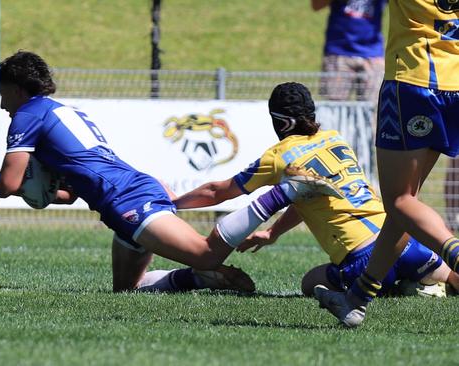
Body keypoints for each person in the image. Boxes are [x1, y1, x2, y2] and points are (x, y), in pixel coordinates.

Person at [0, 51, 334, 293]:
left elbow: (9, 184)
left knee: (207, 253)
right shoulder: (62, 112)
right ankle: (197, 279)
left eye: (2, 93)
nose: (1, 104)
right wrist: (44, 194)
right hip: (128, 195)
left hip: (127, 200)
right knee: (127, 290)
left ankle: (285, 193)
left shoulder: (27, 114)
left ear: (16, 88)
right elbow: (71, 194)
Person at [173, 81, 459, 299]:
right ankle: (422, 283)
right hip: (400, 240)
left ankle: (393, 289)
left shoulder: (279, 156)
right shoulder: (336, 140)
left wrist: (174, 203)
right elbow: (308, 197)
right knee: (449, 276)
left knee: (310, 282)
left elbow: (217, 191)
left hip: (361, 259)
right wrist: (273, 233)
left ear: (279, 122)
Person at [314, 1, 459, 327]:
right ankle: (356, 300)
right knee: (405, 208)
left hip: (414, 82)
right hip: (455, 82)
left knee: (399, 200)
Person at [312, 0, 387, 101]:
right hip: (338, 53)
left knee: (374, 110)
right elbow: (316, 5)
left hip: (373, 54)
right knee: (334, 110)